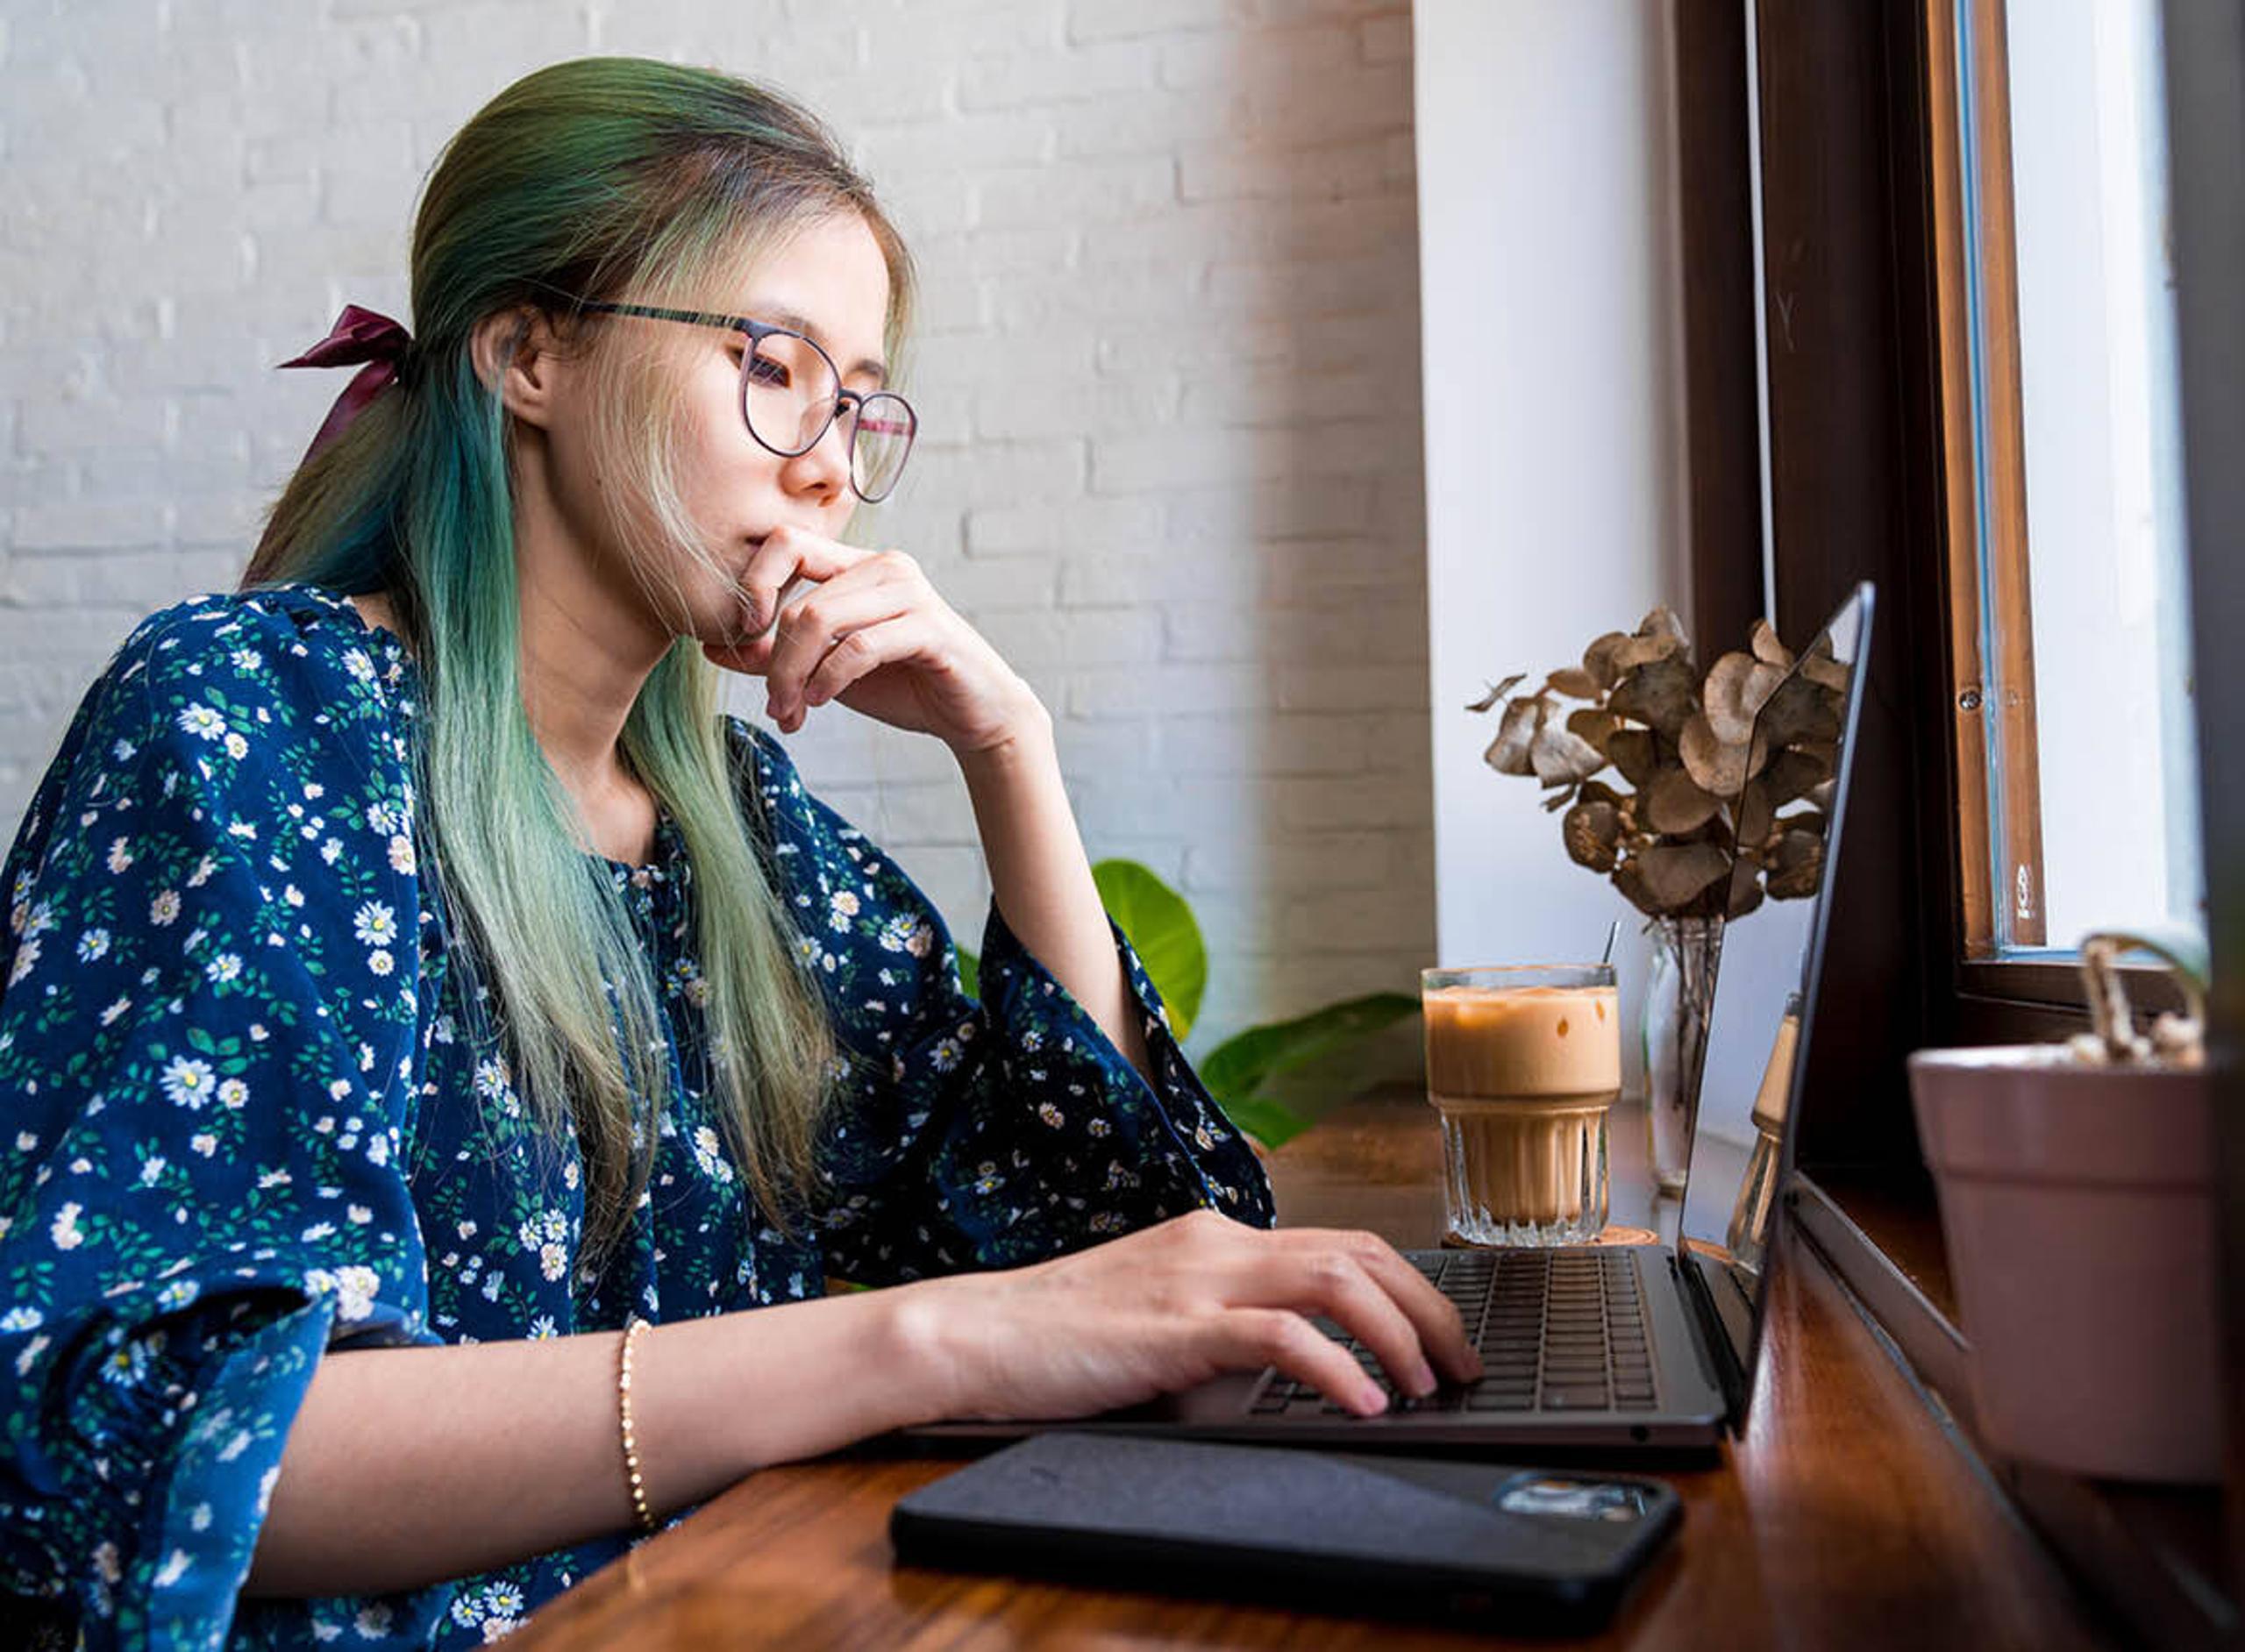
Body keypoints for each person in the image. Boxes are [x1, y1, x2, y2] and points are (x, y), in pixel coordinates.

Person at [0, 57, 1479, 1650]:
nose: (830, 461)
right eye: (776, 366)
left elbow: (1118, 1260)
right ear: (528, 354)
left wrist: (1011, 752)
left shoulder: (743, 840)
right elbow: (176, 1460)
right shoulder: (254, 723)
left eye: (860, 398)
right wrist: (922, 1347)